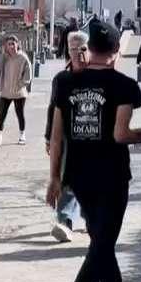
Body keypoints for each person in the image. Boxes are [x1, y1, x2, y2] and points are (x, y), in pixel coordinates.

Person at [46, 23, 141, 282]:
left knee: (101, 238)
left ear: (90, 48)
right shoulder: (124, 85)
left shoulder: (65, 82)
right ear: (116, 51)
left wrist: (54, 178)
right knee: (103, 243)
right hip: (112, 174)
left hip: (77, 174)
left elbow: (57, 136)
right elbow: (121, 135)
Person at [45, 29, 88, 241]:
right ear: (68, 53)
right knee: (66, 179)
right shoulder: (61, 79)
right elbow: (52, 109)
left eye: (83, 49)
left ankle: (91, 219)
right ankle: (64, 222)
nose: (78, 54)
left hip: (92, 136)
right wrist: (48, 138)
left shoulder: (97, 76)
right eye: (73, 50)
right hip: (67, 137)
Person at [0, 35, 32, 145]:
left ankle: (22, 135)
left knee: (20, 114)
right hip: (6, 91)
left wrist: (21, 84)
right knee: (1, 114)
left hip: (19, 92)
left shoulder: (23, 57)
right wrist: (3, 55)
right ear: (6, 46)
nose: (12, 46)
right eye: (9, 44)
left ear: (17, 44)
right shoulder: (5, 57)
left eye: (13, 43)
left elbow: (28, 75)